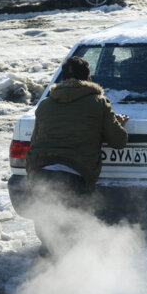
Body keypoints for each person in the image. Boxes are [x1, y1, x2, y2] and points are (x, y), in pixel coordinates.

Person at [26, 55, 128, 226]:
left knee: (48, 228)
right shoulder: (98, 102)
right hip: (72, 175)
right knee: (75, 230)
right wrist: (119, 124)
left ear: (63, 79)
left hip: (39, 173)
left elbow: (34, 139)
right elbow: (118, 141)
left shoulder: (45, 104)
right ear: (88, 78)